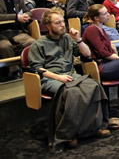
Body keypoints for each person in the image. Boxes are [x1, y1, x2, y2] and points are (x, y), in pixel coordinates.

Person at [27, 8, 111, 149]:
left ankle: (94, 127)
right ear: (48, 25)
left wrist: (78, 39)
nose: (62, 25)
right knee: (72, 93)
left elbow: (87, 54)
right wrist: (58, 77)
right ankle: (67, 134)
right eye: (57, 23)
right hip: (50, 78)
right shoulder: (38, 44)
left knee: (94, 85)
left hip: (71, 75)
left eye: (62, 22)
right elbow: (36, 69)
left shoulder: (67, 38)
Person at [0, 0, 35, 81]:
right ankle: (13, 72)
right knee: (5, 47)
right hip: (1, 33)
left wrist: (25, 16)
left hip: (16, 31)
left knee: (32, 43)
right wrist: (15, 17)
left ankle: (31, 68)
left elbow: (29, 12)